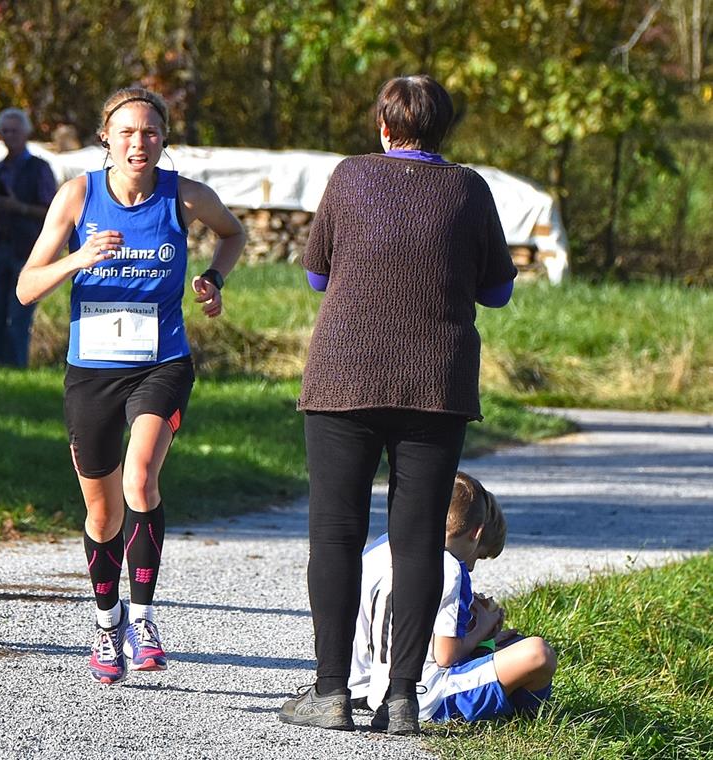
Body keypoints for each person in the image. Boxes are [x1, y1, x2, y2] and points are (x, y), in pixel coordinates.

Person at [278, 75, 518, 734]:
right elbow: (498, 293)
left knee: (335, 529)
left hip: (343, 377)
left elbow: (316, 274)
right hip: (435, 385)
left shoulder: (350, 177)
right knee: (418, 541)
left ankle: (331, 692)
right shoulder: (469, 188)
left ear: (384, 128)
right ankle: (403, 699)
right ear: (445, 132)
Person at [16, 87, 245, 684]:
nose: (138, 143)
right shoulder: (77, 196)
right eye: (126, 133)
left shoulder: (185, 196)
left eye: (149, 133)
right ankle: (106, 620)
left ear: (163, 140)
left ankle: (142, 619)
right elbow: (25, 287)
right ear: (106, 140)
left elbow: (233, 232)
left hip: (160, 362)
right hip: (92, 369)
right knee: (101, 509)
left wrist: (214, 278)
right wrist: (78, 259)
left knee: (140, 475)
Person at [348, 472, 557, 727]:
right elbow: (446, 655)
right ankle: (526, 717)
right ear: (477, 533)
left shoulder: (383, 545)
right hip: (424, 697)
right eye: (478, 557)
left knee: (506, 646)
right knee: (538, 652)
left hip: (369, 684)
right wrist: (482, 628)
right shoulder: (449, 566)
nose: (471, 567)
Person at [0, 107, 58, 367]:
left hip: (28, 248)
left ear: (26, 133)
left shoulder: (39, 169)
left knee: (19, 313)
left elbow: (51, 211)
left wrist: (19, 208)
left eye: (14, 131)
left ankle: (16, 366)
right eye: (5, 131)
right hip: (1, 245)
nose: (9, 136)